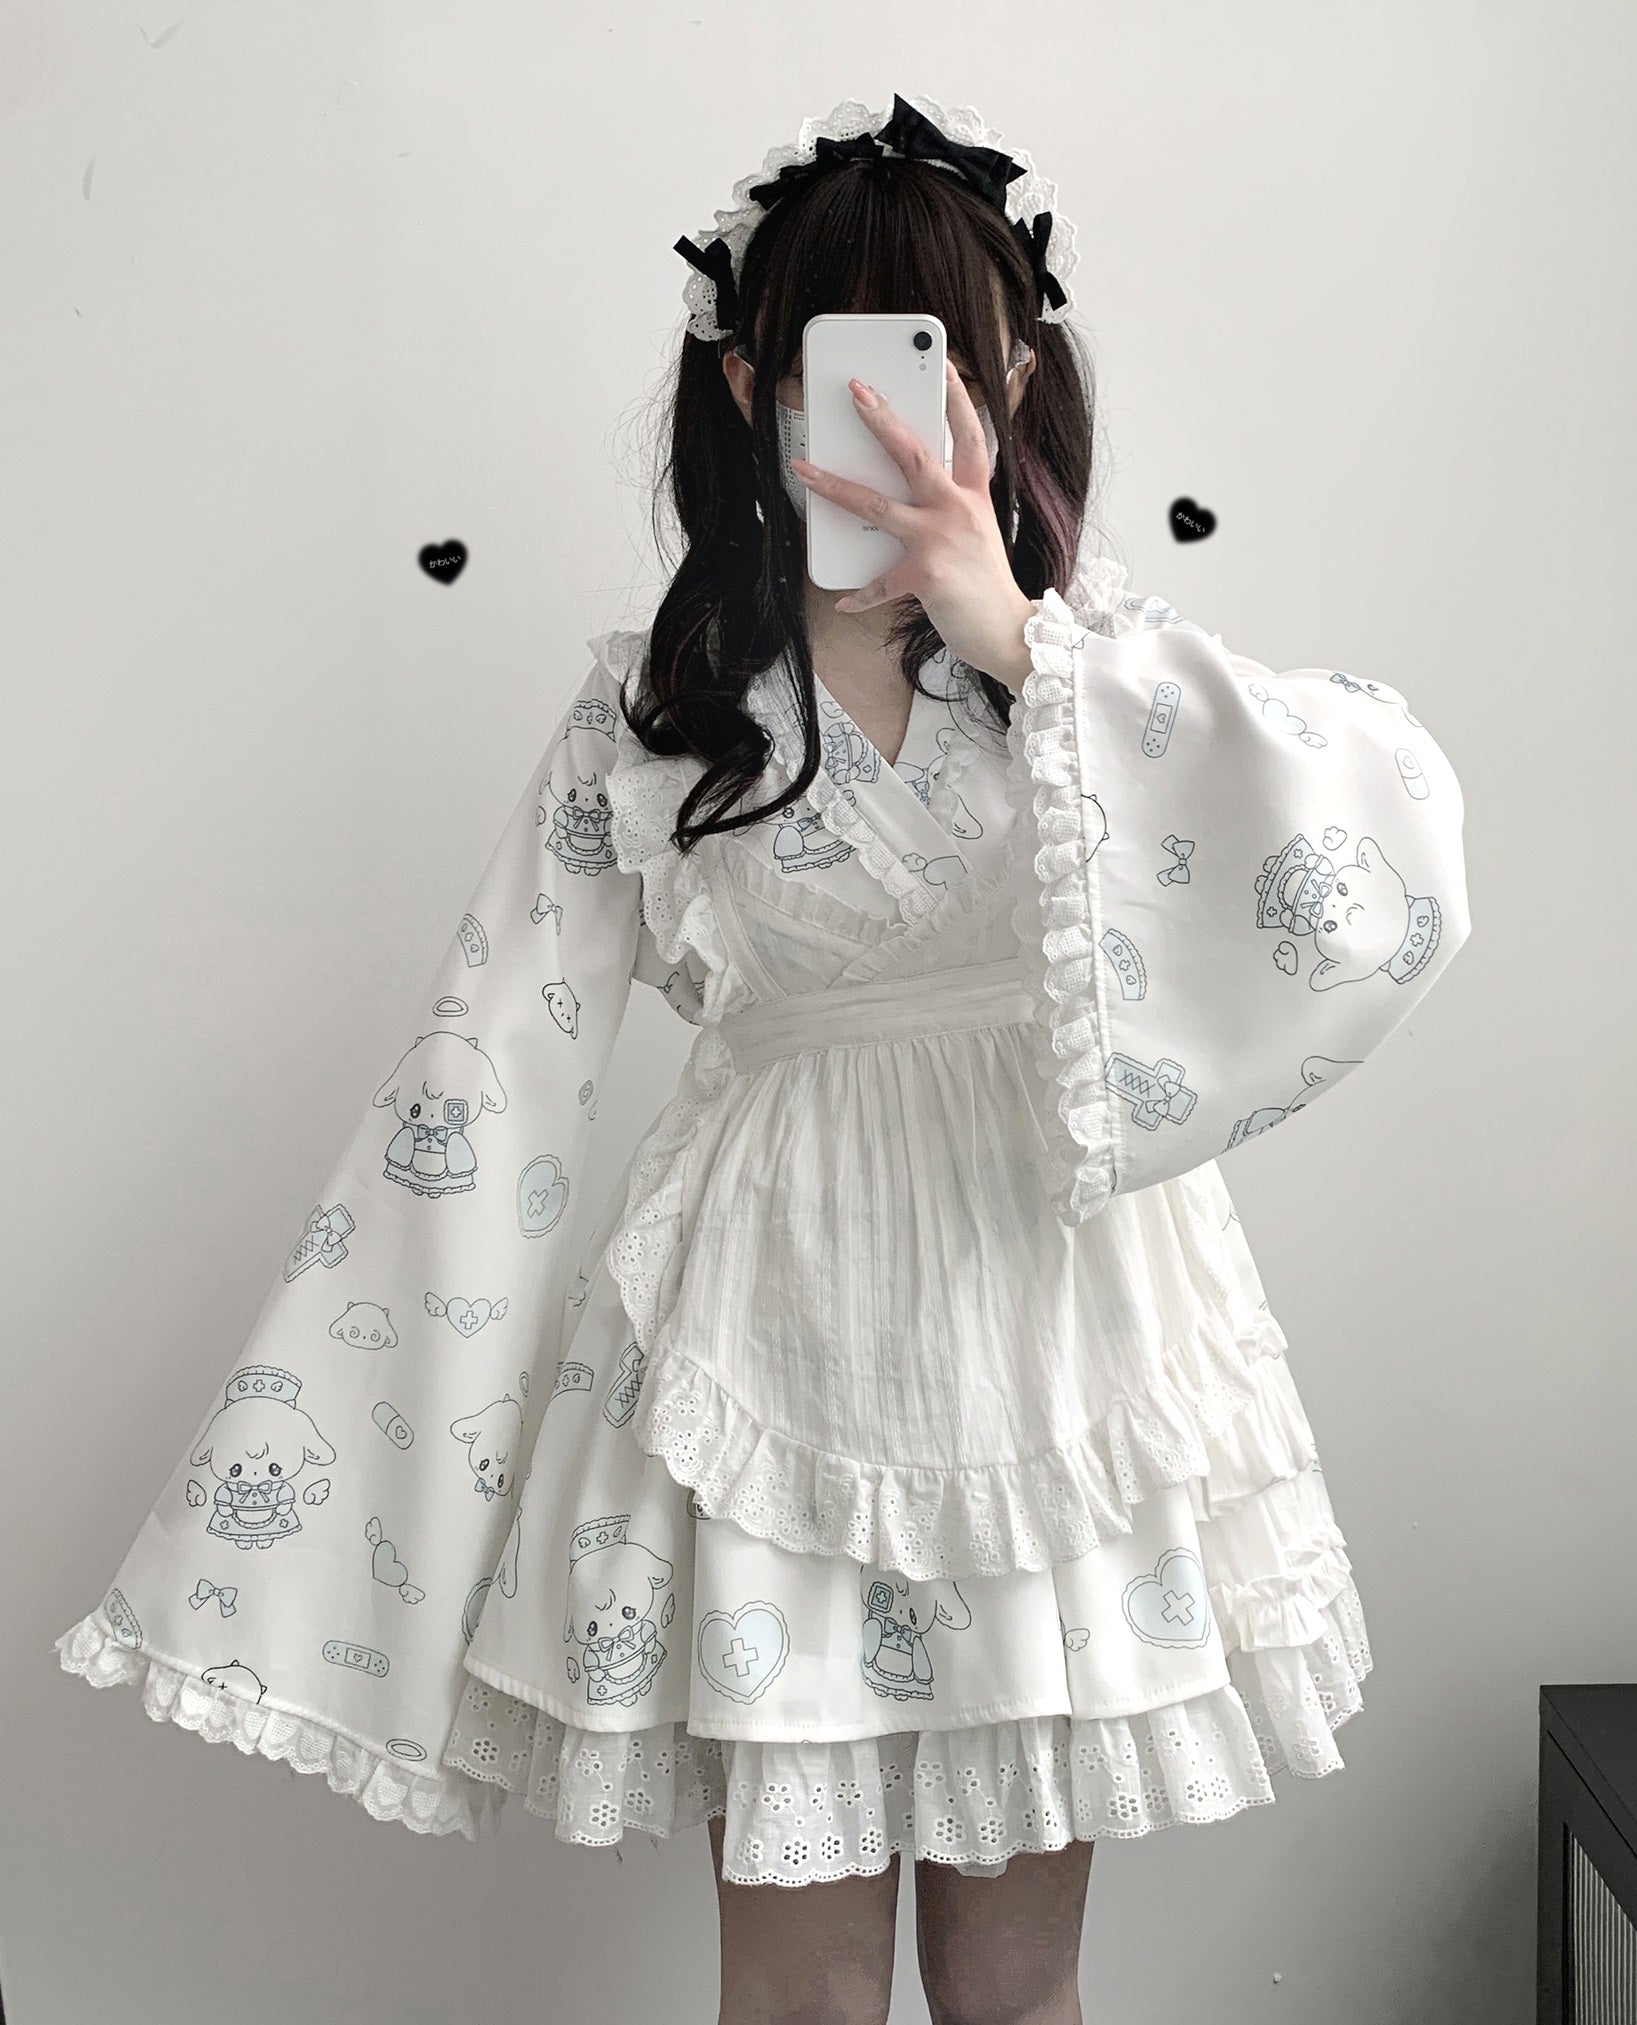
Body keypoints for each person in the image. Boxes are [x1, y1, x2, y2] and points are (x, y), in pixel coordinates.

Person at [57, 92, 1470, 2025]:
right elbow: (490, 1069)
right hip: (765, 1351)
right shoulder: (661, 709)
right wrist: (327, 1493)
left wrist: (1013, 628)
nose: (896, 412)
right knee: (795, 2004)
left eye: (943, 362)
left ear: (1010, 377)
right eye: (837, 368)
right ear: (749, 385)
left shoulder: (1100, 678)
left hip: (1054, 1356)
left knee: (1015, 1995)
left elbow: (1362, 848)